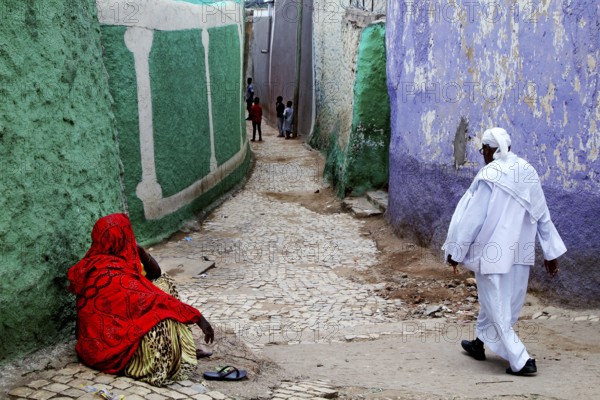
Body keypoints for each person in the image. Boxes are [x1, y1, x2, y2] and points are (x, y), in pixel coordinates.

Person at [443, 127, 566, 376]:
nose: (482, 154)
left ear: (490, 149)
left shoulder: (490, 175)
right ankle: (480, 343)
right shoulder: (527, 171)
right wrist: (550, 253)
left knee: (497, 305)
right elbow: (542, 215)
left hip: (492, 253)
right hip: (519, 253)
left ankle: (521, 360)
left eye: (483, 150)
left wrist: (456, 251)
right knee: (501, 302)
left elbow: (473, 219)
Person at [67, 213, 215, 386]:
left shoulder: (94, 263)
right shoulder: (116, 276)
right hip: (108, 351)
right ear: (122, 237)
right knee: (163, 313)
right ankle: (178, 355)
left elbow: (156, 274)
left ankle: (183, 347)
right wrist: (198, 317)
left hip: (95, 342)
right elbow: (155, 300)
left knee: (163, 283)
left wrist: (138, 249)